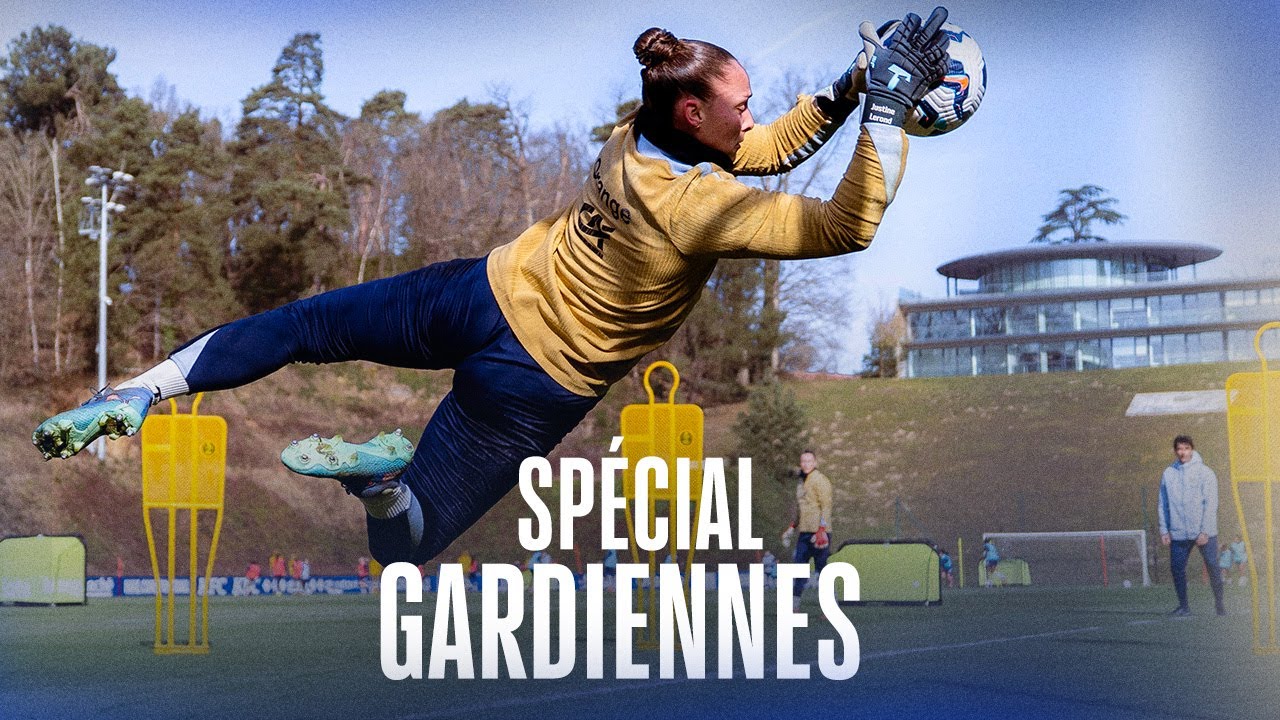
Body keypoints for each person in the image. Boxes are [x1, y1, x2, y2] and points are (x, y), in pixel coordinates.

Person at [30, 11, 953, 568]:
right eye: (740, 104)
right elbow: (846, 225)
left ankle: (142, 390)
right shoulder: (699, 206)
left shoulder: (637, 133)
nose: (751, 118)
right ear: (692, 111)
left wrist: (848, 89)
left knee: (304, 325)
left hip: (476, 293)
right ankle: (381, 487)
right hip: (532, 384)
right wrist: (888, 116)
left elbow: (766, 145)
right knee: (406, 542)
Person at [1159, 435, 1226, 616]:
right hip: (1179, 532)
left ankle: (1220, 605)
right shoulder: (1168, 473)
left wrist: (1205, 531)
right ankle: (1184, 606)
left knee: (1212, 566)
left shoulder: (1205, 473)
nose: (1183, 452)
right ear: (1175, 451)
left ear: (1192, 449)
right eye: (1179, 449)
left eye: (1186, 448)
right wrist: (1164, 529)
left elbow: (1211, 504)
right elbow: (1163, 503)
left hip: (1203, 532)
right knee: (1176, 568)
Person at [781, 449, 834, 610]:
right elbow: (801, 509)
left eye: (809, 461)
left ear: (815, 463)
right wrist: (792, 527)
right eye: (803, 461)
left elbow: (826, 506)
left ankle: (831, 606)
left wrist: (821, 530)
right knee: (799, 569)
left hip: (819, 533)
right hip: (804, 532)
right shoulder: (801, 482)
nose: (806, 464)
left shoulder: (821, 480)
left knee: (821, 570)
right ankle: (794, 605)